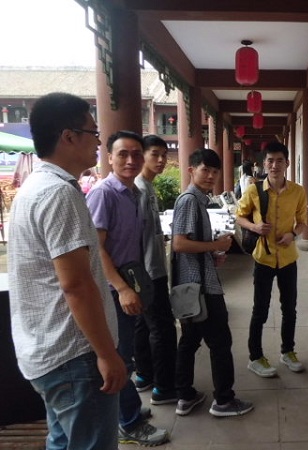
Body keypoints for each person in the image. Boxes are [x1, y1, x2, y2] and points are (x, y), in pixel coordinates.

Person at [8, 92, 127, 449]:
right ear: (69, 136)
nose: (98, 143)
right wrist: (107, 354)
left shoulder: (34, 188)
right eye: (93, 132)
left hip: (48, 352)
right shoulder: (59, 194)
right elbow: (76, 285)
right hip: (76, 356)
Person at [86, 130, 169, 446]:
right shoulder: (104, 194)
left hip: (129, 282)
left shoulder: (132, 192)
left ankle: (128, 408)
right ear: (109, 158)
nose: (131, 160)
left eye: (136, 154)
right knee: (120, 357)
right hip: (112, 290)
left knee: (127, 354)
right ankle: (129, 424)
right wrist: (122, 289)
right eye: (123, 154)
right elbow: (96, 249)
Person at [172, 148, 254, 417]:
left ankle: (185, 396)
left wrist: (211, 254)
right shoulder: (189, 201)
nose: (210, 176)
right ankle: (224, 401)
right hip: (201, 288)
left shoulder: (198, 200)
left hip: (195, 284)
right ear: (191, 170)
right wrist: (215, 245)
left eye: (214, 171)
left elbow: (189, 244)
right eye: (204, 170)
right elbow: (179, 243)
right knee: (220, 343)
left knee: (190, 341)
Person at [236, 141, 308, 378]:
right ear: (264, 164)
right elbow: (240, 216)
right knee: (260, 310)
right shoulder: (254, 190)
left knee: (290, 309)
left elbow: (302, 222)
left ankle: (288, 351)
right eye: (270, 161)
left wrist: (292, 234)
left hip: (287, 258)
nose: (274, 165)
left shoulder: (298, 191)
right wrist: (255, 227)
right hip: (263, 258)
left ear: (287, 163)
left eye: (279, 160)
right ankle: (255, 357)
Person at [132, 135, 178, 405]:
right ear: (142, 156)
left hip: (149, 268)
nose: (161, 160)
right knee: (162, 328)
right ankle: (164, 387)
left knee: (143, 324)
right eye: (155, 154)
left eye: (164, 155)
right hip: (149, 272)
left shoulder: (146, 186)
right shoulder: (138, 189)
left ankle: (144, 375)